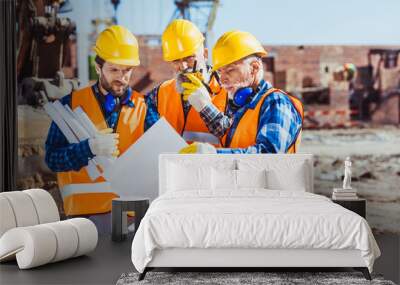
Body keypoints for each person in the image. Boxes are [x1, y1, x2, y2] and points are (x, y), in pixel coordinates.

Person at [45, 25, 148, 220]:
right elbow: (52, 159)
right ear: (98, 67)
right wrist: (88, 148)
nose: (121, 77)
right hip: (84, 217)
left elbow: (159, 152)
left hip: (130, 216)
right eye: (114, 69)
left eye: (127, 70)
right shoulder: (70, 105)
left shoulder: (144, 107)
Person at [179, 30, 304, 154]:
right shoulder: (243, 104)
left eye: (230, 70)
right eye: (220, 71)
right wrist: (204, 105)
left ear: (254, 68)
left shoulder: (277, 102)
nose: (222, 79)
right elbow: (227, 131)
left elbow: (269, 155)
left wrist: (213, 156)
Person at [145, 19, 227, 146]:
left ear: (205, 54)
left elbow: (236, 138)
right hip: (171, 165)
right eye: (176, 60)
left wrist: (206, 107)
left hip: (215, 165)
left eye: (189, 57)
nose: (182, 66)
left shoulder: (228, 90)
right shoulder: (158, 94)